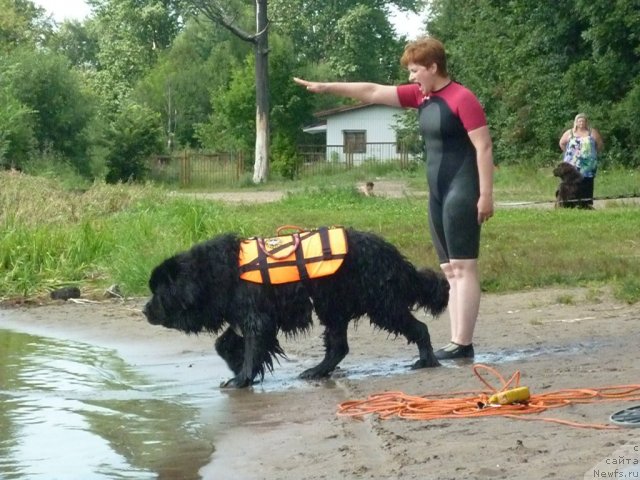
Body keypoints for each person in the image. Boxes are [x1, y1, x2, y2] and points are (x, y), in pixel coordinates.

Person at [294, 36, 494, 360]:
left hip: (463, 188)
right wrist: (326, 86)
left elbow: (483, 147)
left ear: (433, 67)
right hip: (437, 192)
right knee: (449, 269)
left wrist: (486, 195)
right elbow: (372, 91)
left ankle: (463, 342)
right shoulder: (421, 97)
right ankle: (456, 342)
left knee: (464, 266)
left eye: (415, 70)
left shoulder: (462, 98)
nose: (411, 77)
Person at [559, 113, 604, 208]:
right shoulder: (570, 133)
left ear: (586, 122)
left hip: (588, 164)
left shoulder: (592, 132)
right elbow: (562, 143)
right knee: (571, 182)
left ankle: (586, 203)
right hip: (572, 164)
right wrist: (568, 153)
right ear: (576, 122)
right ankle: (570, 202)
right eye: (579, 121)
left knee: (587, 182)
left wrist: (593, 154)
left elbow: (599, 144)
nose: (581, 123)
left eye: (583, 121)